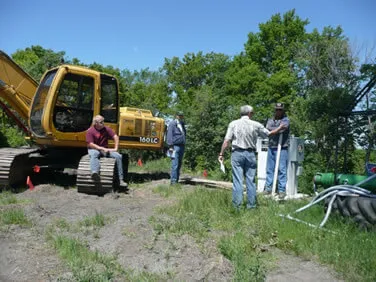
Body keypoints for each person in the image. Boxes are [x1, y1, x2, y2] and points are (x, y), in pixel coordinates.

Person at [218, 105, 282, 210]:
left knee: (238, 181)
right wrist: (280, 128)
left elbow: (226, 141)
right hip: (250, 154)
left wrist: (221, 153)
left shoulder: (233, 124)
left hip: (237, 153)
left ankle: (237, 207)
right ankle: (251, 206)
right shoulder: (256, 124)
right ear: (250, 113)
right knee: (250, 181)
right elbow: (268, 134)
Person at [86, 115, 127, 187]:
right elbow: (90, 144)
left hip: (105, 149)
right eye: (101, 122)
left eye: (103, 121)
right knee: (94, 154)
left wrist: (116, 148)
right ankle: (95, 172)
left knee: (118, 156)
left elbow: (115, 136)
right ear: (96, 123)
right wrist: (100, 148)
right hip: (94, 149)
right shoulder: (90, 131)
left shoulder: (106, 129)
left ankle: (120, 180)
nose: (103, 123)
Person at [263, 102, 290, 199]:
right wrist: (278, 128)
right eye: (277, 109)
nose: (278, 111)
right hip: (271, 147)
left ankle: (282, 190)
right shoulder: (270, 120)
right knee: (270, 168)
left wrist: (274, 131)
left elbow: (283, 128)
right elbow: (268, 131)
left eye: (280, 110)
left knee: (282, 169)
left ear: (283, 111)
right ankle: (268, 188)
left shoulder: (286, 120)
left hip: (282, 147)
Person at [166, 111, 186, 185]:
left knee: (179, 164)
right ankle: (173, 182)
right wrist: (170, 146)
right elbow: (169, 135)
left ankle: (177, 180)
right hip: (175, 146)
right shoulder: (172, 123)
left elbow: (184, 134)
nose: (181, 117)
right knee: (175, 164)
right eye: (179, 115)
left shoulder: (182, 124)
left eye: (182, 116)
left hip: (182, 146)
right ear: (176, 116)